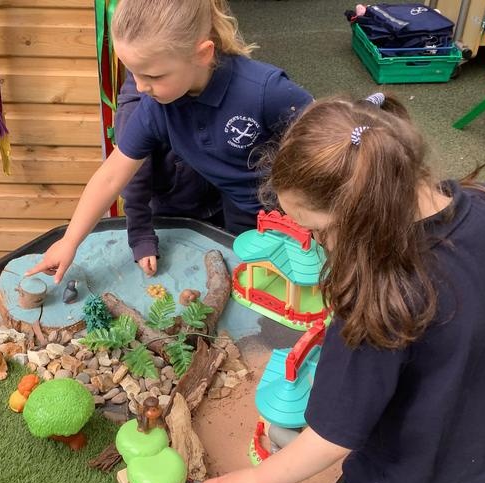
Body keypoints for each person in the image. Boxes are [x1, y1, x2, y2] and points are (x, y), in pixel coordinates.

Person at [198, 94, 485, 483]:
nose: (319, 244)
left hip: (410, 447)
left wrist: (256, 480)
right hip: (471, 414)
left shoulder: (382, 298)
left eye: (319, 232)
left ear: (360, 216)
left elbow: (334, 434)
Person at [26, 0, 312, 282]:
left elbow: (328, 141)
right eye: (133, 73)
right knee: (255, 285)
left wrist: (313, 217)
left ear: (203, 54)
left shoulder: (266, 90)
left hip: (301, 211)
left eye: (152, 75)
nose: (140, 87)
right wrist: (70, 241)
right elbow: (112, 176)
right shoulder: (155, 107)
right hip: (240, 212)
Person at [115, 70, 223, 277]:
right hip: (171, 213)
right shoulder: (135, 110)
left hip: (220, 204)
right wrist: (142, 238)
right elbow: (132, 182)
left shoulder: (202, 87)